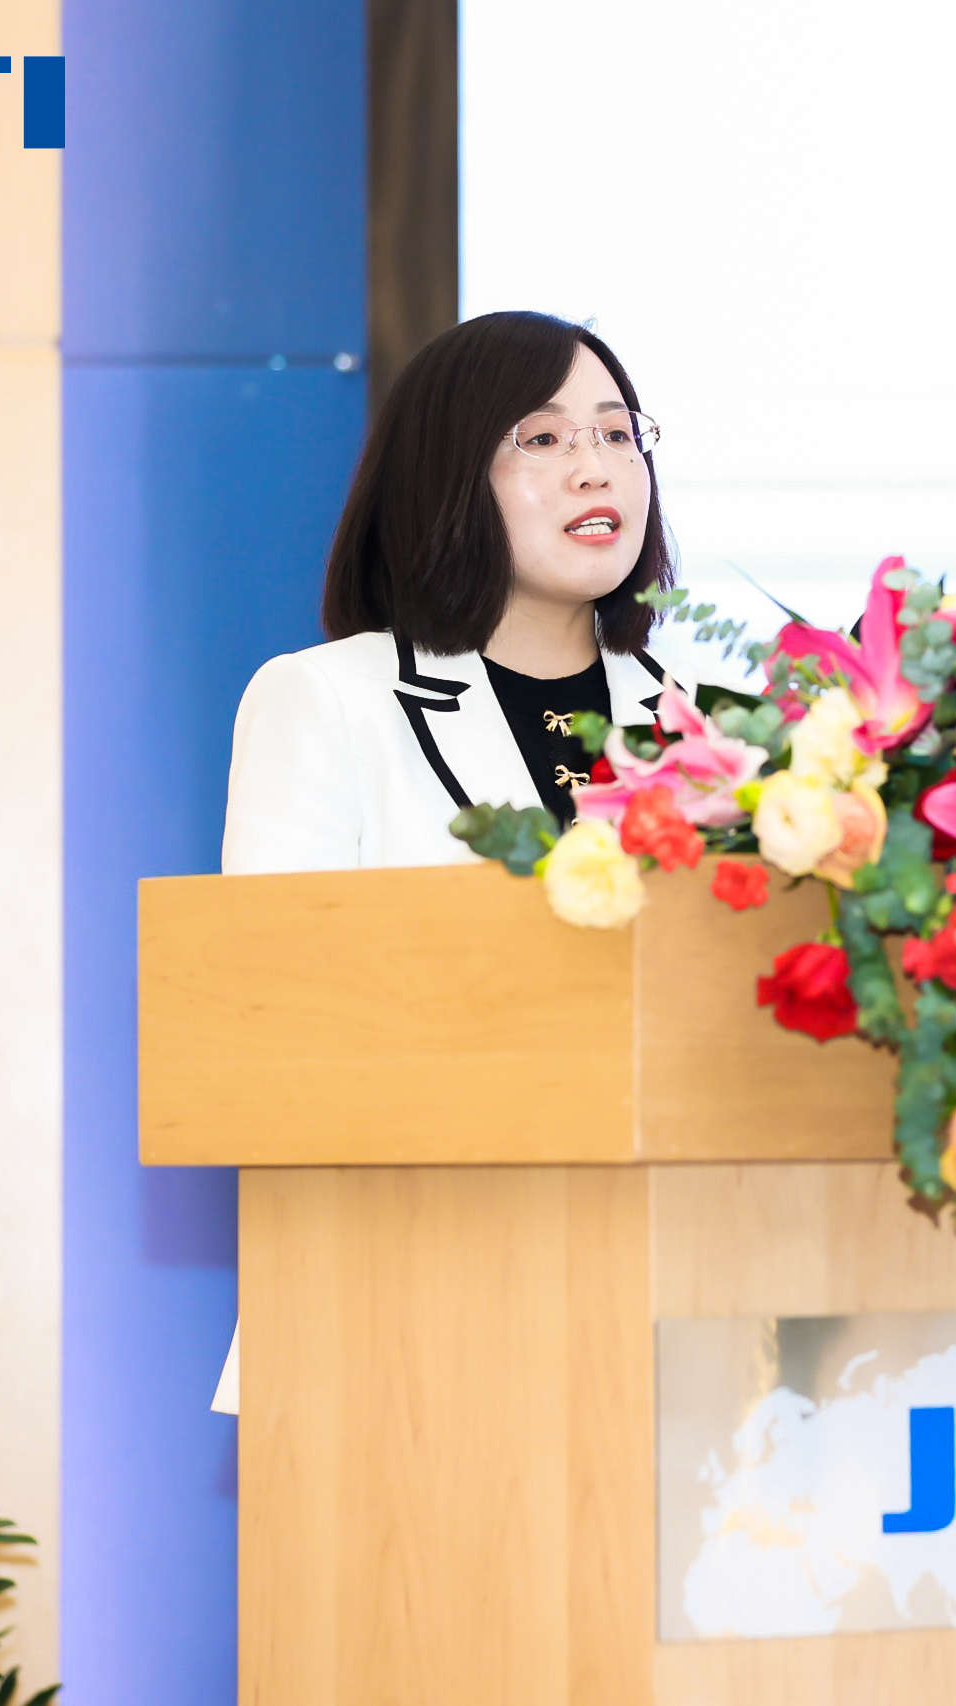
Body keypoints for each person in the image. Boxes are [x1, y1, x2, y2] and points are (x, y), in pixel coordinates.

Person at [207, 311, 697, 1413]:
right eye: (544, 438)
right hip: (403, 1308)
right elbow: (276, 1021)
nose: (595, 467)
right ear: (445, 475)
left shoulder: (723, 728)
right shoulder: (329, 700)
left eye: (618, 434)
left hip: (681, 1309)